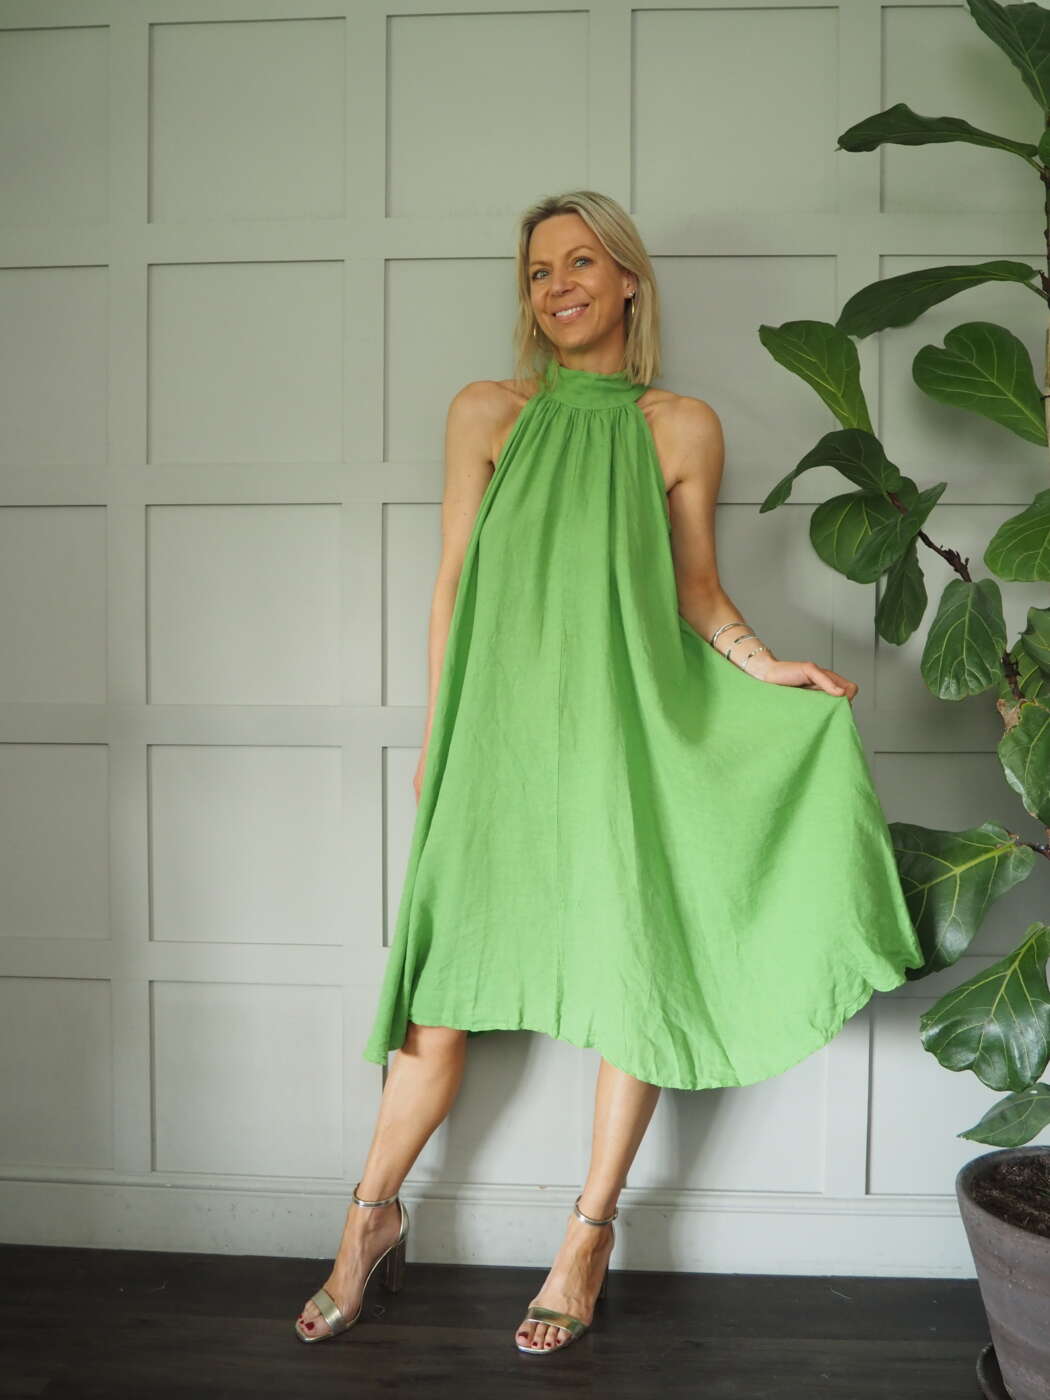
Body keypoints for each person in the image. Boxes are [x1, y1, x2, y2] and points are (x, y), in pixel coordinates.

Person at [294, 191, 925, 1354]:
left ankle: (585, 1236)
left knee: (631, 979)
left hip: (627, 732)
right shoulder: (486, 411)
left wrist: (767, 665)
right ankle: (369, 1217)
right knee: (439, 1002)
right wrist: (440, 735)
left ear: (628, 279)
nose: (559, 287)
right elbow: (451, 582)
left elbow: (694, 589)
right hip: (497, 740)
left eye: (581, 262)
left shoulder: (680, 426)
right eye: (540, 272)